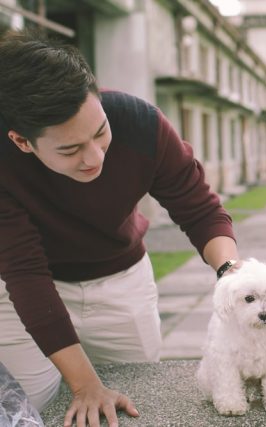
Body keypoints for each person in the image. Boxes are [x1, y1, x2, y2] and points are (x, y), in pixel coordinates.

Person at [0, 29, 240, 426]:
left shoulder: (139, 122)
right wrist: (84, 385)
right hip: (20, 292)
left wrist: (231, 272)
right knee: (29, 405)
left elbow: (199, 208)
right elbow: (25, 274)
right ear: (22, 142)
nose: (94, 157)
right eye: (70, 149)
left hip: (121, 279)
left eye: (99, 133)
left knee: (137, 400)